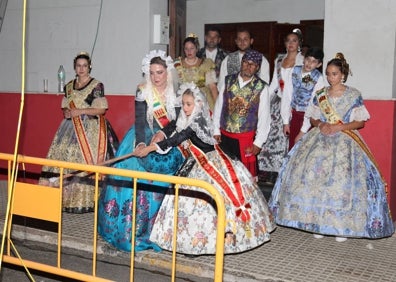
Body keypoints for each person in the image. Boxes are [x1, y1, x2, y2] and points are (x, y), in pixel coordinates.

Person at [133, 82, 275, 255]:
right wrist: (157, 136)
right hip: (196, 161)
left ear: (199, 104)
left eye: (188, 104)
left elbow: (176, 139)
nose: (184, 108)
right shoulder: (187, 117)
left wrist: (148, 149)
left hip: (211, 162)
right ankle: (188, 241)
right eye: (183, 104)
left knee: (215, 198)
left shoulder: (197, 122)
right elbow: (172, 126)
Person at [268, 53, 395, 242]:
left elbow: (360, 122)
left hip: (345, 138)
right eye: (328, 73)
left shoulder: (353, 94)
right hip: (320, 136)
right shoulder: (321, 94)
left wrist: (339, 127)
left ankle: (340, 226)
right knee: (314, 177)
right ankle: (316, 222)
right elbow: (313, 116)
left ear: (342, 74)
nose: (330, 77)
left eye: (334, 74)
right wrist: (320, 125)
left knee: (341, 181)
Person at [97, 50, 185, 252]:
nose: (156, 77)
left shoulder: (178, 93)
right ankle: (129, 231)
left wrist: (162, 135)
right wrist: (140, 144)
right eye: (152, 72)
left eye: (160, 72)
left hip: (169, 137)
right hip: (142, 134)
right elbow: (139, 120)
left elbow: (178, 121)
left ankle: (160, 231)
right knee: (130, 174)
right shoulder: (142, 90)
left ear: (168, 72)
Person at [39, 51, 119, 214]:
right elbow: (66, 107)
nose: (81, 69)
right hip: (69, 128)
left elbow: (101, 109)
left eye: (84, 65)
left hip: (91, 130)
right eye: (78, 66)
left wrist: (80, 111)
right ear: (74, 68)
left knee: (84, 161)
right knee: (64, 157)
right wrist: (68, 113)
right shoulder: (68, 86)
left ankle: (86, 200)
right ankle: (62, 199)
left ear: (89, 67)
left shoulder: (96, 85)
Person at [213, 49, 271, 179]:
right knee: (225, 173)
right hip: (224, 137)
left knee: (245, 177)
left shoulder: (262, 87)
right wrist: (215, 129)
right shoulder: (228, 81)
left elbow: (264, 117)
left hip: (245, 139)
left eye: (253, 64)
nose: (248, 66)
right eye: (245, 62)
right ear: (241, 63)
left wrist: (259, 142)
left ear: (257, 68)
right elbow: (219, 106)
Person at [257, 29, 305, 185]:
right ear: (285, 44)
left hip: (295, 103)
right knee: (272, 136)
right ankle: (269, 170)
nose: (291, 44)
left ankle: (284, 171)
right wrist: (263, 100)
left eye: (294, 41)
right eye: (288, 41)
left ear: (299, 44)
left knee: (288, 138)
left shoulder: (304, 61)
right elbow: (274, 84)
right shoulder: (279, 61)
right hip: (278, 101)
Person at [281, 47, 325, 150]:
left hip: (309, 119)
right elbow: (287, 95)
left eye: (314, 62)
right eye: (308, 59)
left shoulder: (318, 78)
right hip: (295, 116)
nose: (309, 63)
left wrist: (303, 131)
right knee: (292, 148)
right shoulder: (294, 71)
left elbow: (314, 104)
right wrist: (286, 121)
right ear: (304, 59)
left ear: (319, 65)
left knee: (304, 150)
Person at [174, 34, 218, 111]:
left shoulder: (205, 64)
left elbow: (213, 87)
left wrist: (218, 106)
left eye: (192, 48)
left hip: (203, 100)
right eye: (186, 49)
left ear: (197, 49)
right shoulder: (177, 64)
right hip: (184, 100)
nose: (189, 51)